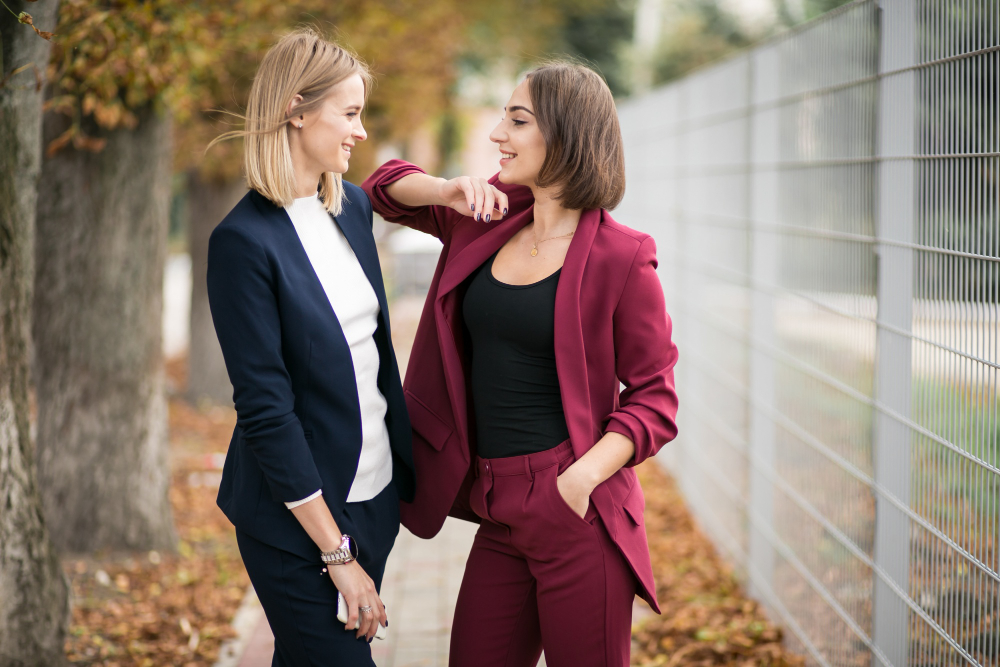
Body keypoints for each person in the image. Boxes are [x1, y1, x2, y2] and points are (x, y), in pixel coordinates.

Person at [361, 62, 679, 667]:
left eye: (518, 119)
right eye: (502, 116)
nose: (497, 134)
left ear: (565, 134)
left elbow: (655, 398)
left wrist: (581, 481)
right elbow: (383, 187)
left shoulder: (623, 256)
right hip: (495, 505)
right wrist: (447, 189)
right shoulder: (484, 215)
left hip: (574, 508)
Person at [206, 28, 414, 666]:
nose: (360, 131)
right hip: (300, 522)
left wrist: (447, 190)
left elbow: (367, 353)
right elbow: (266, 410)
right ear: (297, 110)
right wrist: (336, 554)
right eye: (349, 114)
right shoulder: (242, 243)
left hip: (373, 497)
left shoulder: (349, 207)